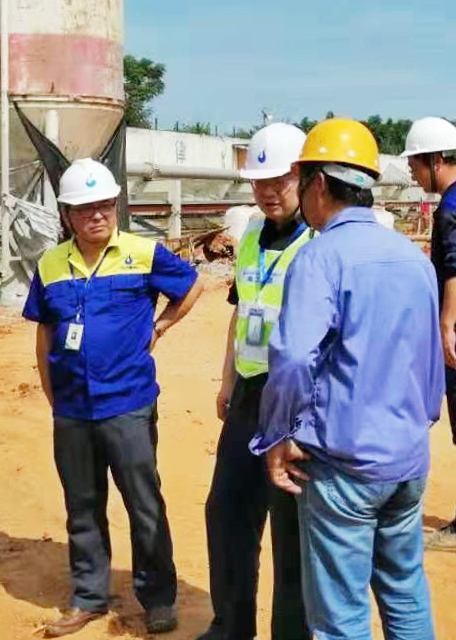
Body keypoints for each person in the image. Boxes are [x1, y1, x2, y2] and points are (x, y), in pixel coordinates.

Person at [250, 118, 445, 640]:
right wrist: (418, 423)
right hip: (407, 459)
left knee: (341, 618)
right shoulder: (412, 258)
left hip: (345, 467)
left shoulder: (320, 256)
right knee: (405, 592)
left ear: (317, 184)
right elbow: (430, 359)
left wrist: (278, 433)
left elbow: (293, 357)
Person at [23, 158, 203, 637]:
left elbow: (192, 285)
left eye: (104, 205)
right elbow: (45, 333)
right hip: (73, 410)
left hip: (128, 404)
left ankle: (158, 598)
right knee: (82, 506)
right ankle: (88, 596)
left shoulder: (142, 253)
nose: (97, 215)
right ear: (67, 215)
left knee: (144, 504)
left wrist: (161, 327)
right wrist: (53, 395)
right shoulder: (50, 264)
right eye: (85, 208)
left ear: (116, 206)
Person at [198, 123, 312, 640]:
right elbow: (242, 310)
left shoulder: (319, 240)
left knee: (291, 530)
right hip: (248, 394)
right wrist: (227, 380)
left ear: (304, 176)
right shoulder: (249, 235)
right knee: (227, 513)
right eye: (258, 181)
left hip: (295, 402)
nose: (267, 191)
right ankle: (231, 627)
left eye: (278, 180)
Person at [401, 117, 456, 549]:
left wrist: (447, 323)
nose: (415, 176)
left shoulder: (451, 207)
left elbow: (454, 265)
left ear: (436, 160)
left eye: (416, 166)